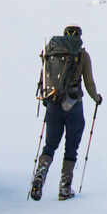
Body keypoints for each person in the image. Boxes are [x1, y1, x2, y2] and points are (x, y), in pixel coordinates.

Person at [30, 24, 102, 201]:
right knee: (71, 148)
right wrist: (96, 98)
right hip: (73, 104)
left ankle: (40, 175)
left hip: (53, 103)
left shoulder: (52, 51)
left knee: (49, 146)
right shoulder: (82, 55)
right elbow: (89, 83)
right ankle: (64, 188)